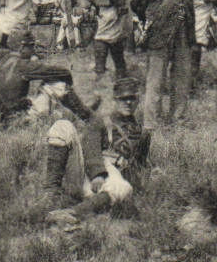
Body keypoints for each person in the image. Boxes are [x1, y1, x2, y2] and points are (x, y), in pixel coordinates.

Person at [42, 75, 151, 225]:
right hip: (86, 171)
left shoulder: (143, 133)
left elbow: (140, 165)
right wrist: (97, 174)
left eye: (132, 98)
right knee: (62, 126)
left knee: (122, 188)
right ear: (115, 99)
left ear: (138, 100)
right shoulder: (100, 120)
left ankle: (72, 213)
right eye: (123, 98)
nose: (128, 102)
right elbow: (91, 145)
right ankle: (50, 195)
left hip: (113, 181)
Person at [132, 0, 197, 126]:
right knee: (155, 80)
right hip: (159, 31)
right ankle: (151, 124)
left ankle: (178, 120)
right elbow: (138, 1)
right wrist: (152, 19)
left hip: (183, 29)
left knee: (182, 78)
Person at [0, 29, 92, 126]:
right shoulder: (24, 65)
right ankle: (87, 116)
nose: (33, 50)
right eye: (31, 46)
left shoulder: (3, 60)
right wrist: (69, 82)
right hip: (16, 120)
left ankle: (77, 113)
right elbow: (63, 72)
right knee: (57, 84)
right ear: (22, 47)